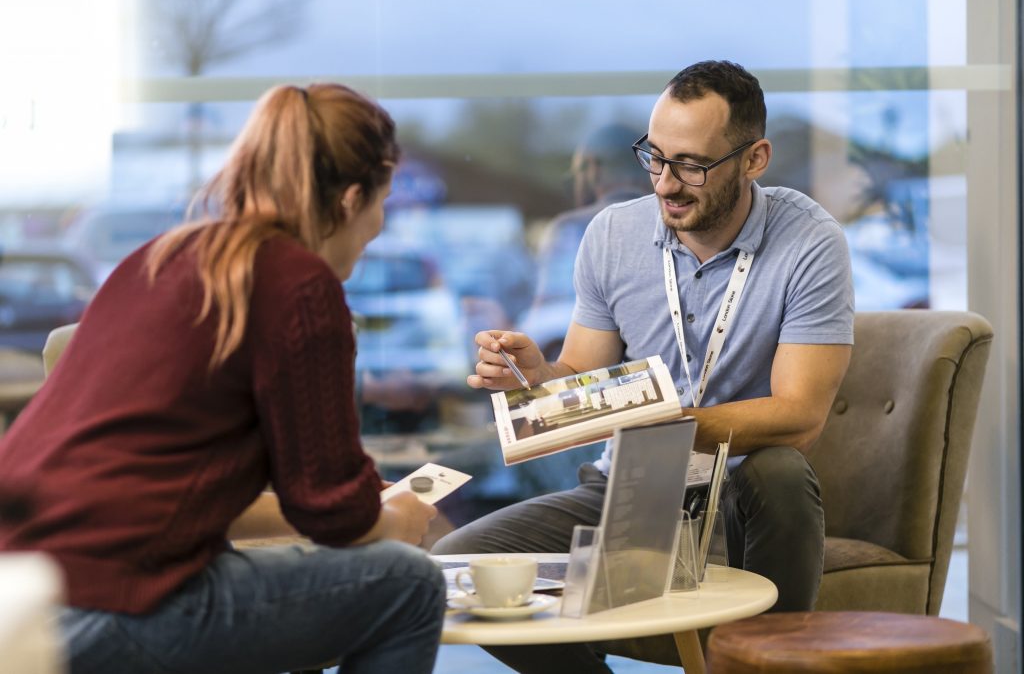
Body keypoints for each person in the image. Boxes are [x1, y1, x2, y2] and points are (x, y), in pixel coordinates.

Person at [0, 83, 446, 674]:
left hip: (26, 584)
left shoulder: (162, 256)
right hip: (118, 601)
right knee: (409, 584)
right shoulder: (301, 284)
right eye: (382, 203)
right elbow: (336, 515)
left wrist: (355, 508)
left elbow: (183, 500)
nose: (379, 227)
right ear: (351, 198)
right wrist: (399, 517)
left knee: (304, 583)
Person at [433, 60, 854, 673]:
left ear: (755, 158)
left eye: (691, 164)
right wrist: (538, 377)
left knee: (782, 472)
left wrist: (671, 423)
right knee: (462, 562)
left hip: (741, 496)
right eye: (653, 157)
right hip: (626, 487)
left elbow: (800, 415)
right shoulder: (612, 236)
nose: (664, 183)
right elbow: (583, 369)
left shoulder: (810, 242)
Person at [521, 124, 649, 360]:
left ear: (592, 168)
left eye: (576, 172)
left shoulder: (570, 229)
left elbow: (548, 317)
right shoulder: (673, 225)